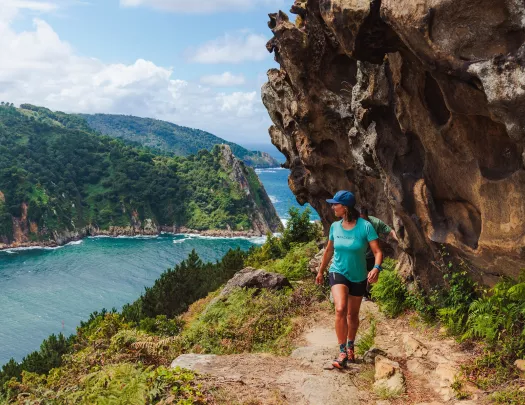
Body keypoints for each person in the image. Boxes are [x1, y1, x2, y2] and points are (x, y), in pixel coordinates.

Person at [315, 190, 383, 369]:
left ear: (344, 207)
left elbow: (378, 252)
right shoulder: (335, 227)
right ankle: (342, 351)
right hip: (338, 272)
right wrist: (321, 271)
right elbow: (329, 250)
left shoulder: (365, 227)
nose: (332, 207)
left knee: (353, 315)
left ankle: (351, 345)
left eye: (335, 204)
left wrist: (376, 268)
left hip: (359, 276)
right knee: (340, 309)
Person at [360, 207, 398, 300]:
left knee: (373, 275)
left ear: (366, 216)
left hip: (372, 253)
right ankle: (364, 295)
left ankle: (375, 295)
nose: (361, 221)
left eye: (363, 218)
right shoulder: (353, 223)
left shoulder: (375, 222)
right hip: (358, 255)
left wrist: (398, 239)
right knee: (361, 275)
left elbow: (389, 230)